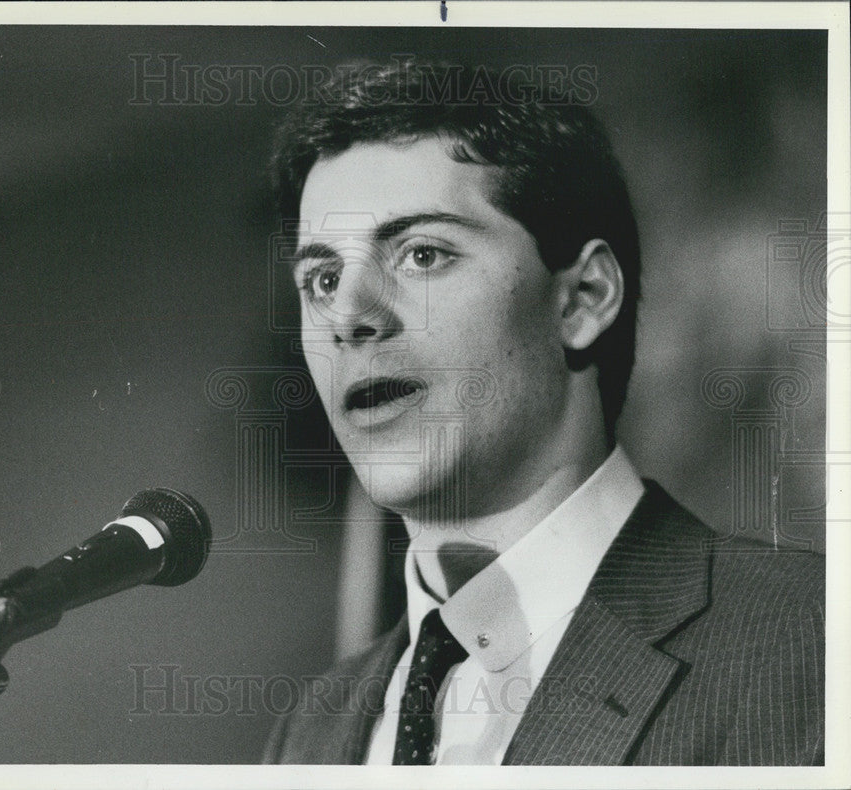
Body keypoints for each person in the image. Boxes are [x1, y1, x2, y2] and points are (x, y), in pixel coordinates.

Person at [261, 61, 824, 766]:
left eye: (422, 254)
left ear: (583, 298)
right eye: (322, 278)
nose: (347, 315)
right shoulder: (310, 730)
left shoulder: (815, 645)